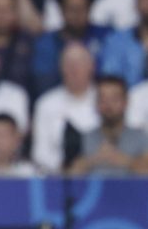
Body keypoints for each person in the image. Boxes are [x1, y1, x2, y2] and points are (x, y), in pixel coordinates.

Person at [68, 76, 148, 176]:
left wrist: (124, 161)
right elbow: (68, 175)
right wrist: (95, 159)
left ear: (126, 102)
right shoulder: (83, 139)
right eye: (103, 99)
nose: (108, 105)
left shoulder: (144, 138)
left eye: (114, 99)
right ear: (96, 104)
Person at [31, 43, 100, 173]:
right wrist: (66, 168)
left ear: (92, 66)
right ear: (60, 68)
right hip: (57, 175)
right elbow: (40, 152)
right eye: (68, 64)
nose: (74, 69)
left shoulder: (104, 100)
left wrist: (88, 164)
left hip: (101, 174)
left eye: (80, 63)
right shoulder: (46, 103)